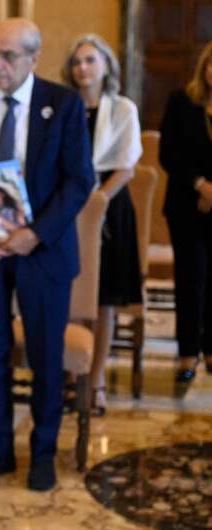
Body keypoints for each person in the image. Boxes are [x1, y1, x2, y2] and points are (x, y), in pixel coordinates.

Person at [0, 18, 92, 491]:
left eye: (8, 56)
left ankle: (43, 452)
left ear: (33, 58)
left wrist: (37, 233)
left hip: (42, 252)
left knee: (46, 355)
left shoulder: (63, 104)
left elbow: (79, 181)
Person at [62, 34, 142, 414]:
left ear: (106, 65)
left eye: (91, 61)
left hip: (109, 207)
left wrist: (97, 202)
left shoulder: (123, 109)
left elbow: (126, 166)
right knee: (69, 294)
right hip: (68, 207)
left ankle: (95, 381)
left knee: (104, 297)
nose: (83, 68)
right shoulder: (64, 107)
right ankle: (68, 373)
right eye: (77, 62)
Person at [159, 41, 212, 383]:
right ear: (204, 67)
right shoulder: (182, 102)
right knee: (190, 279)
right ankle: (188, 353)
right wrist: (201, 185)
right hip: (185, 204)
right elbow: (169, 152)